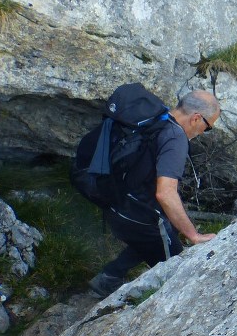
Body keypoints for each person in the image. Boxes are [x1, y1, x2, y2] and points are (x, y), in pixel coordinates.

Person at [88, 90, 221, 296]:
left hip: (116, 201)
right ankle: (118, 291)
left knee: (167, 230)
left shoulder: (157, 118)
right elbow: (165, 194)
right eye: (208, 127)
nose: (204, 132)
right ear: (196, 118)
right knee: (179, 273)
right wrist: (194, 236)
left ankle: (110, 277)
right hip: (139, 216)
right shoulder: (176, 138)